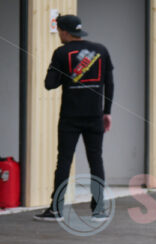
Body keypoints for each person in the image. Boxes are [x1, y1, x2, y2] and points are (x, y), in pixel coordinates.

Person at [34, 14, 114, 221]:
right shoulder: (101, 50)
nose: (59, 35)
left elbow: (49, 84)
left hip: (70, 117)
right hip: (95, 115)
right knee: (96, 160)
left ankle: (56, 209)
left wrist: (62, 72)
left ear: (64, 32)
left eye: (60, 31)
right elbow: (109, 83)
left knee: (64, 161)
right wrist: (107, 112)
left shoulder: (61, 53)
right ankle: (98, 209)